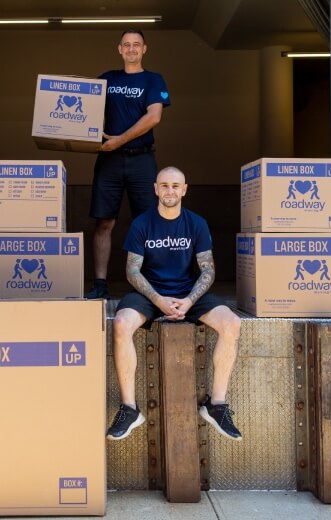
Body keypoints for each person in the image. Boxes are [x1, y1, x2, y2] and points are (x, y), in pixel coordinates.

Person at [105, 167, 243, 442]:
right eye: (165, 186)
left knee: (231, 323)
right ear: (156, 189)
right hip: (149, 294)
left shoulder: (196, 223)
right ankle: (130, 409)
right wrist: (158, 300)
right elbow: (132, 271)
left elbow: (207, 269)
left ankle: (216, 405)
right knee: (121, 324)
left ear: (184, 190)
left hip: (186, 292)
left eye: (175, 186)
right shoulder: (142, 224)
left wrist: (190, 300)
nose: (170, 191)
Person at [85, 29, 171, 299]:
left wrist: (119, 140)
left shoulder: (153, 80)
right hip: (109, 160)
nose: (131, 49)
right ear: (119, 49)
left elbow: (154, 117)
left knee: (148, 223)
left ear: (144, 49)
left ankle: (150, 283)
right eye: (127, 45)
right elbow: (85, 111)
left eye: (137, 45)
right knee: (104, 222)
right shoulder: (106, 79)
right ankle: (100, 283)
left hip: (142, 159)